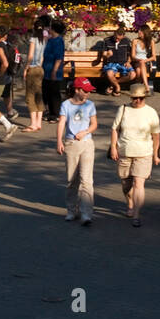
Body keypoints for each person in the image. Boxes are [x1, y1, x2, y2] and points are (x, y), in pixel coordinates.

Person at [109, 82, 160, 227]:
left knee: (139, 183)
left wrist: (156, 154)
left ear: (145, 97)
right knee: (126, 184)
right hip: (124, 151)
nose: (137, 101)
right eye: (134, 98)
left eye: (140, 98)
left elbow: (156, 135)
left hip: (144, 152)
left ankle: (137, 214)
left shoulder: (151, 112)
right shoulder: (123, 109)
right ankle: (129, 202)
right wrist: (113, 147)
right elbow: (115, 129)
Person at [57, 77, 97, 225]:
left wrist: (85, 132)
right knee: (71, 180)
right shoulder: (66, 105)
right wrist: (59, 141)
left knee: (87, 180)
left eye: (89, 91)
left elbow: (94, 124)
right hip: (71, 144)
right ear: (77, 90)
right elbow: (62, 122)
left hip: (86, 143)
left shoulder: (90, 105)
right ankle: (71, 210)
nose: (87, 94)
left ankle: (87, 214)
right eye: (85, 91)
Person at [42, 18, 66, 122]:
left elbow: (59, 57)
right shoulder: (50, 40)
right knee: (46, 91)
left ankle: (55, 114)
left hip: (54, 70)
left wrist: (54, 71)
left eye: (50, 27)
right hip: (46, 69)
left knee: (54, 93)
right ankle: (49, 111)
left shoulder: (58, 41)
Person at [23, 22, 46, 131]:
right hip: (40, 69)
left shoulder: (33, 39)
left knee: (30, 96)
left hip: (32, 68)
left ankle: (33, 123)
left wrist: (26, 67)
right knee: (39, 95)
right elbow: (42, 57)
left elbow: (31, 55)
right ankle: (38, 122)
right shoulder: (43, 40)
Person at [100, 23, 135, 95]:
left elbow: (129, 54)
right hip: (111, 63)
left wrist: (128, 62)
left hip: (123, 63)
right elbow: (103, 55)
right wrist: (107, 55)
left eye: (119, 38)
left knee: (133, 75)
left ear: (123, 36)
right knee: (109, 73)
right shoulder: (107, 40)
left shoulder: (126, 41)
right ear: (114, 34)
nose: (116, 40)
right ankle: (117, 86)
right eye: (115, 37)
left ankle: (112, 85)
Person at [131, 24, 156, 92]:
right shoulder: (135, 41)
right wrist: (138, 60)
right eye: (139, 31)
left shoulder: (151, 42)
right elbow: (133, 56)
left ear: (145, 32)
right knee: (140, 65)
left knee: (139, 70)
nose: (139, 32)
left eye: (140, 31)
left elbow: (154, 57)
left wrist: (145, 60)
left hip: (145, 62)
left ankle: (139, 86)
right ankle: (146, 86)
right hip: (136, 61)